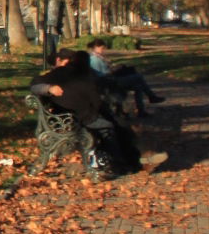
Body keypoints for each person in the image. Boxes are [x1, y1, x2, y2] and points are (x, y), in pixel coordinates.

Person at [28, 49, 143, 178]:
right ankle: (122, 163)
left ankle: (129, 161)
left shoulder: (71, 74)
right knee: (110, 127)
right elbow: (34, 85)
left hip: (77, 115)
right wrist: (49, 89)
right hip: (76, 118)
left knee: (116, 124)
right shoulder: (71, 75)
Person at [89, 38, 163, 117]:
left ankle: (141, 110)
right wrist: (115, 70)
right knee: (138, 77)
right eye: (102, 48)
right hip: (110, 82)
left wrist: (116, 68)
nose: (103, 50)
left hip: (111, 80)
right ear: (96, 47)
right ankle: (151, 96)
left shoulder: (99, 57)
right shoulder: (94, 60)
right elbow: (102, 74)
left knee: (139, 87)